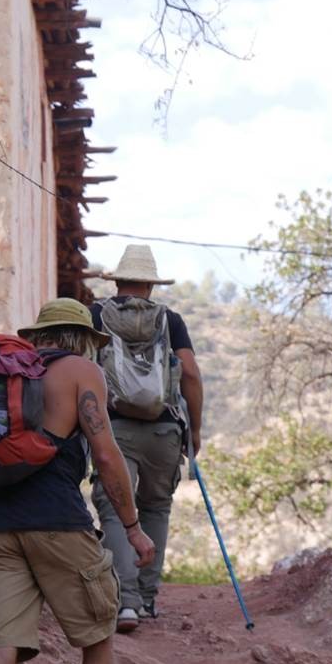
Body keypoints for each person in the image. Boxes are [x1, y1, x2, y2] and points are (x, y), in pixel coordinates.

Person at [0, 298, 157, 664]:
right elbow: (108, 456)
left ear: (39, 337)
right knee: (97, 637)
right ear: (83, 340)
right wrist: (133, 527)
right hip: (59, 524)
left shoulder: (3, 372)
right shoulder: (79, 371)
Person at [89, 245, 203, 633]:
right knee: (156, 507)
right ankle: (149, 598)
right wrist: (196, 429)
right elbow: (189, 373)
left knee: (115, 508)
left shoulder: (96, 316)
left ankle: (126, 604)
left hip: (113, 427)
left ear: (118, 281)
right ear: (150, 286)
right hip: (164, 429)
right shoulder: (169, 320)